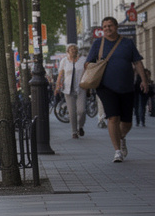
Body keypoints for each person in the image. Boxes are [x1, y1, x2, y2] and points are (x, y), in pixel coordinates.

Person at [85, 16, 149, 163]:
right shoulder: (98, 44)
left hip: (126, 87)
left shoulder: (127, 43)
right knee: (113, 117)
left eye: (110, 26)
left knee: (127, 123)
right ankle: (117, 151)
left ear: (116, 27)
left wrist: (144, 80)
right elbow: (89, 62)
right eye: (104, 26)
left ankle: (120, 138)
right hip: (105, 87)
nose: (107, 29)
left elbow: (138, 62)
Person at [54, 43, 86, 139]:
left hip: (81, 88)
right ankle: (74, 132)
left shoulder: (83, 60)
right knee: (72, 112)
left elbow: (88, 72)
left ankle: (80, 126)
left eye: (75, 49)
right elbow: (60, 74)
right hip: (68, 89)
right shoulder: (64, 61)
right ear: (67, 51)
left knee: (82, 111)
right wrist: (57, 86)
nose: (73, 50)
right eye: (71, 49)